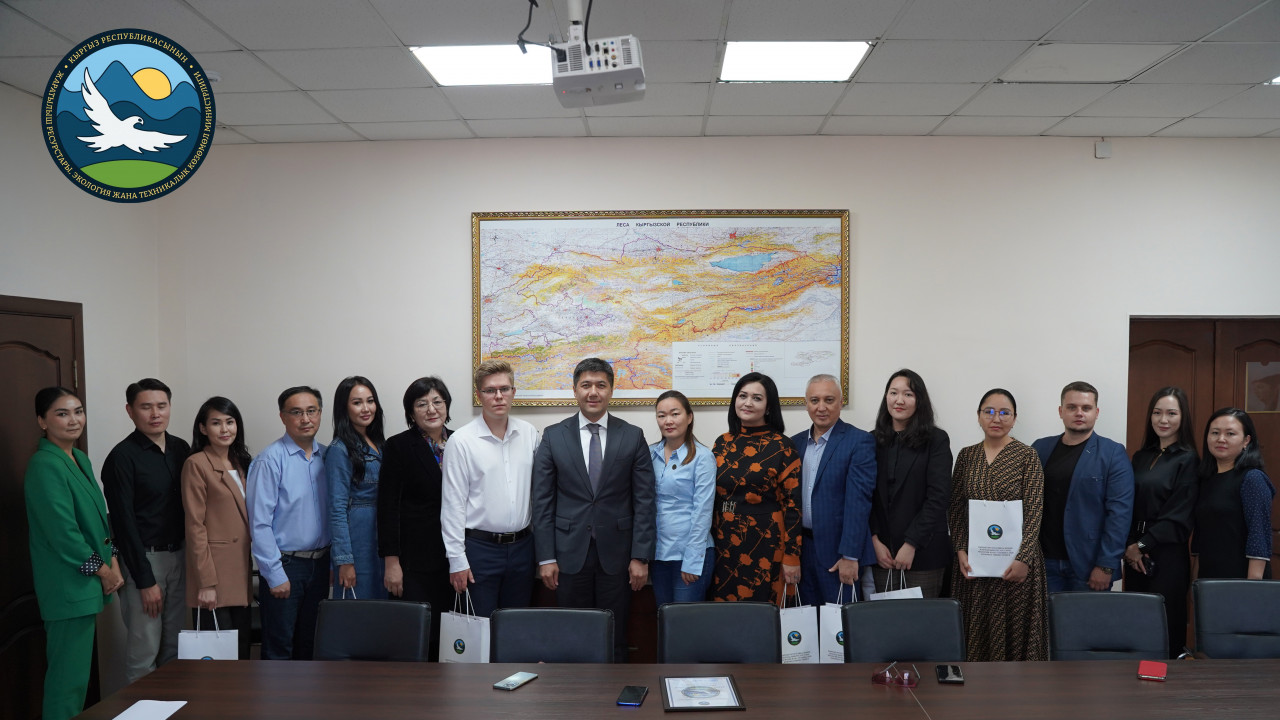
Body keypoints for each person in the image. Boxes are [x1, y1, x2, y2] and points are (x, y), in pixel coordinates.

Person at [532, 357, 656, 662]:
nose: (593, 392)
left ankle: (613, 690)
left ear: (611, 390)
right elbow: (542, 501)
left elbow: (644, 500)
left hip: (618, 555)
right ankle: (574, 690)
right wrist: (546, 557)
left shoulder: (632, 435)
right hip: (568, 554)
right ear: (575, 390)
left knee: (614, 633)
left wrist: (640, 556)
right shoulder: (553, 435)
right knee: (572, 633)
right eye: (586, 385)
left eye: (601, 385)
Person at [25, 387, 122, 720]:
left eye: (78, 411)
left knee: (77, 680)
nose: (73, 420)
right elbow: (63, 534)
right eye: (62, 413)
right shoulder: (44, 464)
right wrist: (104, 571)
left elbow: (97, 521)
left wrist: (113, 559)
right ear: (42, 421)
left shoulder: (79, 458)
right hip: (67, 586)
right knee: (67, 683)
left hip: (85, 584)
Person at [100, 378, 190, 684]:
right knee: (144, 653)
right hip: (146, 561)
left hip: (180, 556)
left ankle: (172, 705)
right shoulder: (121, 457)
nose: (155, 413)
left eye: (161, 406)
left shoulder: (181, 448)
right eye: (146, 407)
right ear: (130, 411)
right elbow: (123, 524)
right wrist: (145, 580)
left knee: (175, 649)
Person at [949, 388, 1048, 662]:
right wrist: (960, 550)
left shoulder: (1027, 456)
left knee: (1016, 637)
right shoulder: (966, 456)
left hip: (1016, 564)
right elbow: (955, 508)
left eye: (1005, 412)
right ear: (978, 416)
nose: (996, 418)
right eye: (989, 411)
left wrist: (1023, 559)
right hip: (975, 564)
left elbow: (1035, 510)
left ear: (1014, 419)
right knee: (976, 633)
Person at [441, 360, 541, 618]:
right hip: (479, 551)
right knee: (480, 628)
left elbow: (540, 493)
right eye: (490, 390)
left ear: (513, 392)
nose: (498, 396)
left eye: (504, 389)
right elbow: (452, 505)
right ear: (479, 395)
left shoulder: (529, 434)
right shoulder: (461, 441)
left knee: (516, 626)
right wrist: (456, 559)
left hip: (522, 548)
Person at [247, 386, 330, 660]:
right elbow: (259, 524)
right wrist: (274, 574)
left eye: (311, 411)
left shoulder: (328, 456)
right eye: (296, 412)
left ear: (320, 413)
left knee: (311, 645)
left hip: (321, 565)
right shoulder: (269, 460)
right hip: (286, 566)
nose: (305, 419)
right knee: (279, 648)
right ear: (283, 417)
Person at [1031, 381, 1134, 592]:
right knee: (1045, 616)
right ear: (1061, 411)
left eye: (1086, 408)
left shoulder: (1112, 453)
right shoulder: (1040, 448)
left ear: (1096, 412)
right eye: (1072, 407)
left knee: (1085, 616)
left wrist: (1106, 565)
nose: (1079, 413)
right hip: (1043, 562)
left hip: (1089, 564)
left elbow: (1119, 514)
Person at [379, 376, 455, 660]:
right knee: (415, 635)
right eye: (422, 404)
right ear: (411, 412)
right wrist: (392, 562)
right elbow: (388, 507)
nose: (431, 409)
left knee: (448, 635)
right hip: (414, 561)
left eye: (437, 402)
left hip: (454, 557)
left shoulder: (461, 441)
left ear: (446, 405)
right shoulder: (398, 446)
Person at [711, 371, 801, 606]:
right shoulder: (722, 443)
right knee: (726, 613)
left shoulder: (783, 446)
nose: (748, 403)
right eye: (743, 396)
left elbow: (793, 506)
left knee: (764, 614)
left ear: (769, 407)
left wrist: (792, 556)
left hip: (766, 542)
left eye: (757, 398)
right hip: (724, 542)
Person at [1123, 387, 1198, 657]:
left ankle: (1169, 680)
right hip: (1133, 553)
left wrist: (1142, 545)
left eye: (1171, 413)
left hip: (1166, 555)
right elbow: (1127, 505)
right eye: (1157, 413)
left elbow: (1179, 516)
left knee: (1165, 624)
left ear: (1183, 417)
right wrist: (1130, 545)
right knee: (1136, 622)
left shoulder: (1188, 459)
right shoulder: (1141, 456)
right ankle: (1137, 681)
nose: (1163, 420)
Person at [790, 373, 875, 604]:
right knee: (804, 621)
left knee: (839, 623)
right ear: (806, 403)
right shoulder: (794, 444)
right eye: (814, 400)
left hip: (839, 554)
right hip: (802, 552)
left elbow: (859, 502)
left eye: (829, 400)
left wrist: (850, 555)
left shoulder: (859, 441)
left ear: (840, 402)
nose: (821, 407)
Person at [869, 369, 953, 598]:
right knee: (884, 618)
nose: (899, 400)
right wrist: (874, 540)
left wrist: (911, 544)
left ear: (919, 400)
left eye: (908, 394)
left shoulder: (936, 440)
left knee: (920, 619)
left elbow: (938, 497)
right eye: (893, 393)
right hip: (882, 554)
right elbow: (865, 496)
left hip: (924, 552)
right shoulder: (872, 440)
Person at [181, 397, 254, 659]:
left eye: (230, 422)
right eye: (216, 423)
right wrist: (206, 583)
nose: (225, 429)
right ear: (203, 428)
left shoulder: (242, 462)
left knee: (241, 652)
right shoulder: (197, 464)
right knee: (218, 660)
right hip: (214, 575)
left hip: (241, 572)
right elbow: (195, 526)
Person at [649, 390, 716, 605]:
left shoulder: (702, 457)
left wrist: (692, 561)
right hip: (658, 554)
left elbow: (703, 511)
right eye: (661, 415)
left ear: (689, 417)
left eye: (675, 414)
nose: (668, 421)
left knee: (684, 621)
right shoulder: (650, 454)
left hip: (688, 555)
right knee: (663, 616)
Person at [1193, 408, 1274, 580]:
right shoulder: (1206, 479)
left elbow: (1258, 536)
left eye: (1230, 434)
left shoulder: (1252, 479)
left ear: (1246, 440)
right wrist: (1195, 582)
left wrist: (1251, 587)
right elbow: (1201, 537)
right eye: (1215, 433)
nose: (1221, 439)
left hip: (1241, 580)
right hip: (1209, 578)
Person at [327, 376, 387, 600]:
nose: (366, 408)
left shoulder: (379, 443)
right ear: (344, 408)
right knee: (359, 608)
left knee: (383, 607)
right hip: (358, 538)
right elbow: (336, 509)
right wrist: (344, 561)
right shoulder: (339, 449)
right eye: (357, 402)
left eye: (370, 401)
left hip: (380, 536)